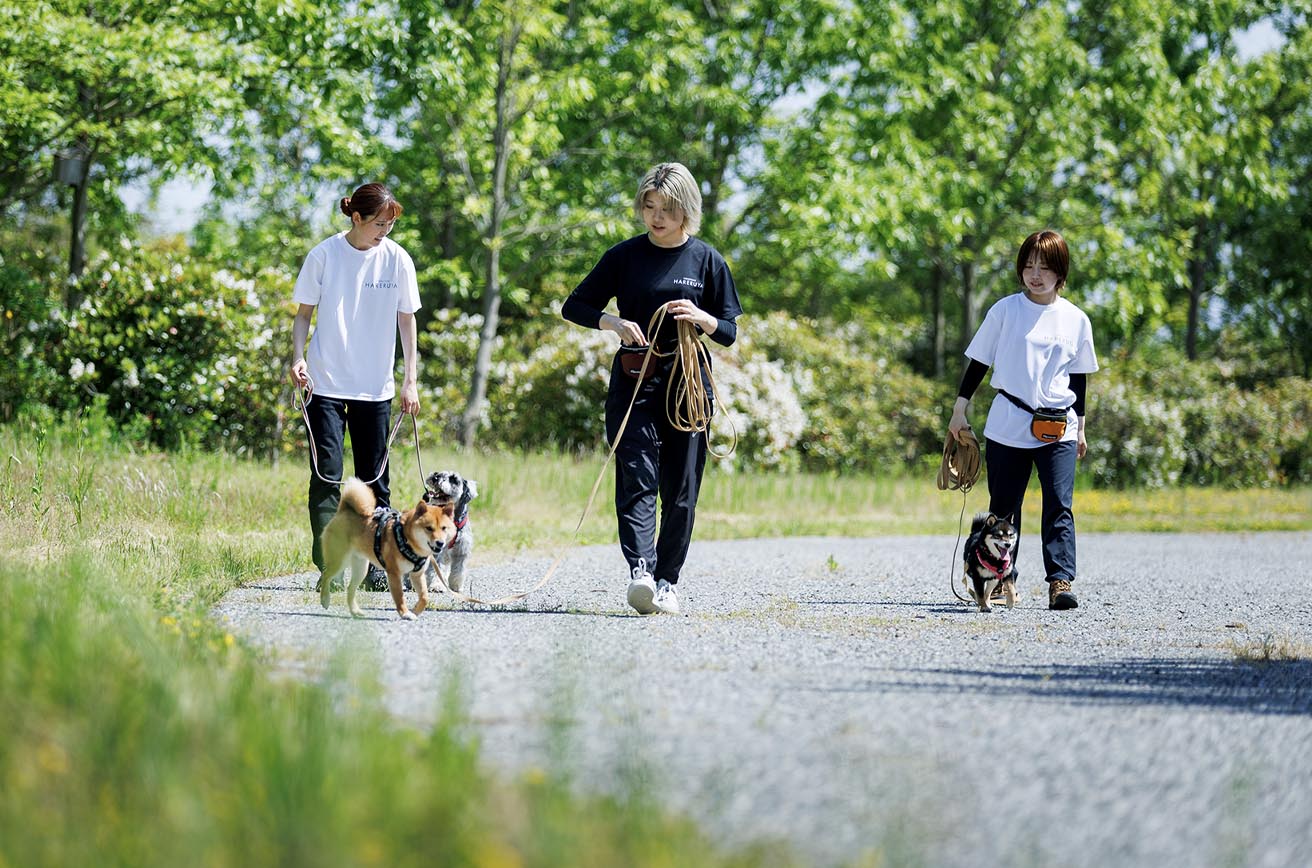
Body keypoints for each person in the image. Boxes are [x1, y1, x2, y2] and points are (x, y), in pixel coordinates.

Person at [562, 162, 743, 615]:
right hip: (634, 382)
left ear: (687, 211)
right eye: (649, 207)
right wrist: (613, 322)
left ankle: (668, 581)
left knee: (680, 489)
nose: (656, 217)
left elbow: (728, 329)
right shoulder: (623, 256)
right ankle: (641, 570)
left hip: (688, 387)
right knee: (637, 480)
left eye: (667, 209)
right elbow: (575, 305)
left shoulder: (707, 260)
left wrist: (702, 319)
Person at [947, 229, 1098, 610]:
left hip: (1058, 426)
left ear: (1060, 272)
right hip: (1008, 422)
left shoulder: (1076, 320)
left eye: (1045, 267)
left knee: (1059, 504)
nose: (1035, 274)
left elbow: (1078, 379)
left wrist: (1080, 427)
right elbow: (979, 361)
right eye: (1029, 265)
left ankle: (1060, 582)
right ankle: (999, 580)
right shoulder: (1005, 310)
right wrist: (959, 408)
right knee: (1003, 507)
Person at [289, 182, 421, 591]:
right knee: (327, 478)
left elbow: (407, 320)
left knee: (374, 481)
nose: (385, 232)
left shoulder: (398, 260)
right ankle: (331, 566)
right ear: (356, 218)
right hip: (324, 382)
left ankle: (377, 566)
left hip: (376, 388)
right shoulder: (324, 255)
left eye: (391, 225)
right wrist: (297, 357)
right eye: (379, 224)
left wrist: (410, 379)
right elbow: (303, 315)